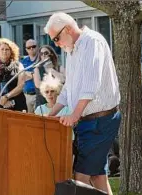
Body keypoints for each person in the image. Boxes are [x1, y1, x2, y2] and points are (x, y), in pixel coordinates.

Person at [45, 12, 121, 194]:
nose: (56, 44)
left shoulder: (92, 42)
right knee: (97, 176)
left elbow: (91, 86)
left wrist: (74, 115)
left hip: (100, 120)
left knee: (81, 178)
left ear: (68, 29)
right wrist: (49, 116)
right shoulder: (71, 50)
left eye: (56, 38)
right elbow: (68, 90)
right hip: (87, 122)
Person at [0, 38, 27, 111]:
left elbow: (21, 85)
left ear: (11, 51)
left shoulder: (19, 65)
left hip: (17, 104)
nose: (4, 51)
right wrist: (0, 99)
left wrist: (7, 97)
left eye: (7, 49)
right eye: (2, 49)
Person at [21, 39, 38, 113]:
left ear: (37, 47)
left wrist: (26, 73)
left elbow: (41, 76)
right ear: (26, 49)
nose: (31, 48)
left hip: (38, 95)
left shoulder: (41, 59)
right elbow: (21, 77)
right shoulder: (23, 62)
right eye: (29, 47)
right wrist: (33, 75)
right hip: (26, 95)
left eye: (33, 46)